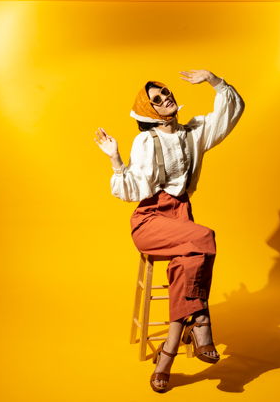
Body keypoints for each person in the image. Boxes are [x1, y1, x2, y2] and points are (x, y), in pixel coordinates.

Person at [94, 69, 244, 392]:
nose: (166, 98)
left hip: (182, 219)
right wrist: (116, 159)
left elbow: (231, 111)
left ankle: (168, 353)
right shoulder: (145, 141)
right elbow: (132, 189)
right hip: (150, 220)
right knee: (205, 238)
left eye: (165, 92)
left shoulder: (194, 132)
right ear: (149, 111)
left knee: (187, 262)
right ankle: (201, 321)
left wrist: (213, 79)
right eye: (157, 99)